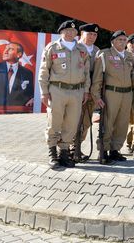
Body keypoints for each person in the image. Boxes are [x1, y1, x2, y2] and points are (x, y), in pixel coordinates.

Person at [38, 20, 90, 169]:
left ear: (76, 33)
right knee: (54, 121)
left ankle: (64, 153)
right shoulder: (52, 48)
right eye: (67, 30)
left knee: (71, 124)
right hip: (57, 90)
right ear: (61, 32)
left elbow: (86, 72)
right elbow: (44, 71)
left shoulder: (82, 49)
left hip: (77, 91)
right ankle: (52, 152)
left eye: (73, 31)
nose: (70, 33)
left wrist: (86, 90)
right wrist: (44, 92)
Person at [91, 30, 134, 163]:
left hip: (127, 93)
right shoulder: (104, 54)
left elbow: (133, 75)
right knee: (108, 122)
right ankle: (103, 151)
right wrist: (96, 97)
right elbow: (97, 78)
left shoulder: (129, 56)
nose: (122, 42)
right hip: (111, 93)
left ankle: (115, 150)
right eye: (119, 40)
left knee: (122, 123)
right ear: (113, 42)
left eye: (124, 40)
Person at [72, 23, 100, 162]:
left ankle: (76, 147)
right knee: (73, 120)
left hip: (91, 91)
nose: (92, 37)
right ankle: (67, 148)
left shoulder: (97, 51)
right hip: (76, 89)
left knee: (86, 121)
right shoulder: (74, 48)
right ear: (81, 34)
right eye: (89, 34)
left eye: (95, 34)